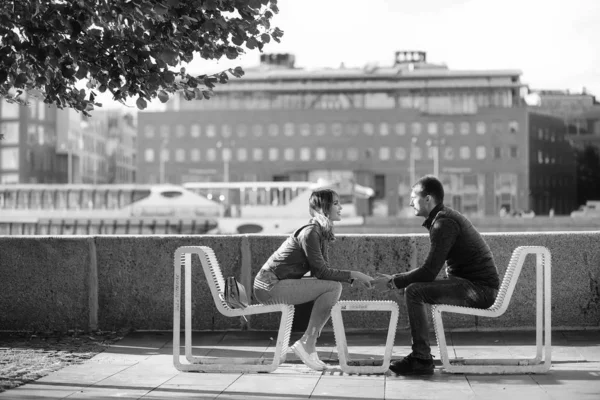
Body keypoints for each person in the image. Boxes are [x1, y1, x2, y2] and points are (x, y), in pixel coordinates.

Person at [372, 175, 499, 376]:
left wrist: (392, 281)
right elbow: (430, 271)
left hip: (479, 290)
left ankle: (421, 358)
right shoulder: (443, 218)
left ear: (428, 199)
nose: (410, 202)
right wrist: (395, 279)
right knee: (414, 289)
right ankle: (420, 356)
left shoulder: (443, 223)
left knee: (414, 291)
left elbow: (429, 272)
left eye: (414, 197)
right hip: (471, 285)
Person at [253, 188, 373, 371]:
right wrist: (355, 274)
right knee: (333, 288)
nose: (340, 207)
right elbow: (323, 273)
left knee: (332, 287)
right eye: (336, 203)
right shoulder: (310, 233)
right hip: (268, 286)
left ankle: (308, 343)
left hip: (273, 284)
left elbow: (321, 272)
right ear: (325, 207)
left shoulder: (319, 232)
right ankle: (307, 343)